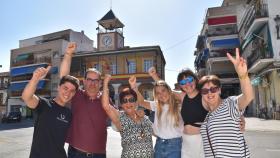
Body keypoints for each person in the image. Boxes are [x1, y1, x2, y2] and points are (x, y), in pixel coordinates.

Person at [199, 48, 253, 157]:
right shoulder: (208, 116)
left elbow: (248, 97)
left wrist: (243, 75)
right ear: (201, 94)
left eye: (213, 89)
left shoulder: (229, 104)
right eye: (205, 91)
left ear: (219, 90)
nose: (209, 93)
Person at [60, 42, 109, 158]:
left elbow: (118, 119)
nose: (92, 83)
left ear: (100, 83)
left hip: (99, 155)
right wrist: (68, 54)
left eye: (96, 80)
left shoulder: (106, 100)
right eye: (89, 79)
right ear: (84, 81)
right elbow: (64, 78)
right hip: (76, 154)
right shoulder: (76, 95)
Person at [22, 66, 80, 158]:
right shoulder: (44, 104)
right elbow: (27, 97)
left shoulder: (69, 114)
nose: (68, 93)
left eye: (72, 91)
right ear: (58, 87)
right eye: (65, 88)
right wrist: (35, 79)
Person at [129, 75, 183, 158]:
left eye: (163, 91)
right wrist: (134, 87)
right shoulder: (157, 105)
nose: (161, 94)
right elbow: (141, 102)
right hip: (159, 144)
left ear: (169, 91)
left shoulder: (179, 105)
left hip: (175, 146)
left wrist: (155, 76)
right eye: (158, 93)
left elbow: (183, 95)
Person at [102, 74, 153, 158]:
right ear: (121, 104)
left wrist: (133, 86)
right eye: (125, 101)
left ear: (135, 102)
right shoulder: (120, 117)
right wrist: (105, 83)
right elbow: (106, 106)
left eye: (131, 100)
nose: (128, 103)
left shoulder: (144, 118)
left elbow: (158, 133)